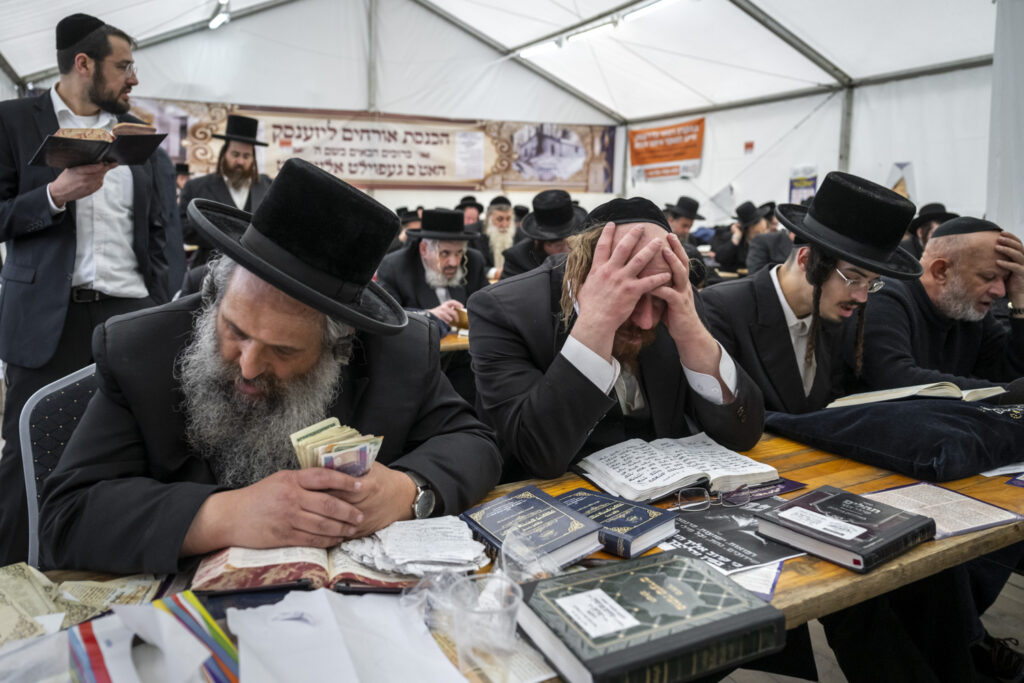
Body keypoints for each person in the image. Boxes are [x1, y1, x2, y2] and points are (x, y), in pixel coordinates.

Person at [39, 158, 502, 574]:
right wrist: (222, 515)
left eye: (283, 351)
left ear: (340, 345)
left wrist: (407, 491)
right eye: (235, 331)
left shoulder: (397, 353)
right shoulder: (140, 349)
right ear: (216, 298)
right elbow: (67, 517)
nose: (248, 366)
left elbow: (475, 443)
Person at [0, 13, 170, 565]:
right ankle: (15, 583)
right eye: (124, 66)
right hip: (50, 322)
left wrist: (162, 306)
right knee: (27, 458)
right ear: (83, 64)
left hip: (132, 320)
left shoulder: (140, 137)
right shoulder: (12, 121)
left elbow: (162, 229)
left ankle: (108, 569)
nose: (133, 79)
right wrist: (53, 194)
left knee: (135, 450)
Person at [468, 197, 764, 481]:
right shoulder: (502, 311)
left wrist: (691, 333)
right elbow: (537, 454)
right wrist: (596, 323)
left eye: (657, 299)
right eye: (630, 296)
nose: (647, 320)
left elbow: (742, 434)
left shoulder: (678, 303)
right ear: (583, 273)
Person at [703, 172, 922, 417]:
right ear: (806, 261)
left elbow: (833, 401)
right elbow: (725, 416)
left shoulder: (833, 317)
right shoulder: (724, 310)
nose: (862, 298)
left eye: (871, 284)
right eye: (854, 279)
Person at [851, 216, 1024, 391]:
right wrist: (1005, 393)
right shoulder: (885, 297)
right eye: (988, 277)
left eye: (1005, 279)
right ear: (941, 271)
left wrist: (1020, 298)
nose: (1001, 292)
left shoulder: (967, 309)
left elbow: (1011, 372)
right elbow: (893, 379)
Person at [179, 114, 272, 268]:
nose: (240, 161)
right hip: (208, 271)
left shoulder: (268, 187)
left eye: (246, 156)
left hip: (254, 273)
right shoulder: (197, 187)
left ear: (253, 159)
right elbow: (184, 229)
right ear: (224, 154)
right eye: (235, 154)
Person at [499, 189, 587, 280]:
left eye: (571, 242)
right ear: (539, 242)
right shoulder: (517, 259)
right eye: (559, 246)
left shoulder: (585, 249)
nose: (566, 250)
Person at [713, 201, 771, 272]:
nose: (762, 235)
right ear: (748, 228)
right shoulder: (736, 238)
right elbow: (720, 258)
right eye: (757, 232)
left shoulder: (767, 240)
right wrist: (735, 239)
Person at [472, 195, 515, 274]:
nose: (504, 225)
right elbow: (473, 267)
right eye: (499, 219)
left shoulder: (520, 235)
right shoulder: (474, 235)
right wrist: (494, 272)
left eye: (508, 219)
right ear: (488, 217)